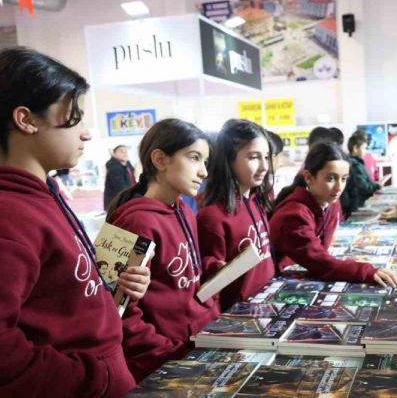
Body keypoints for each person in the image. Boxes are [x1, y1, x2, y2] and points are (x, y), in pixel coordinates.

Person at [0, 47, 150, 397]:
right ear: (26, 120)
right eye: (74, 118)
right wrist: (91, 377)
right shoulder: (6, 215)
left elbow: (59, 292)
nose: (86, 133)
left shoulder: (45, 195)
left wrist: (115, 288)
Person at [106, 118, 219, 382]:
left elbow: (184, 280)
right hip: (161, 364)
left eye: (205, 162)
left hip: (194, 346)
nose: (203, 172)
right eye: (194, 158)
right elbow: (115, 309)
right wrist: (166, 353)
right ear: (160, 159)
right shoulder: (134, 221)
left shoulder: (184, 210)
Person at [270, 142, 397, 287]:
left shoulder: (331, 202)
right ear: (308, 177)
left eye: (344, 179)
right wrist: (367, 271)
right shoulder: (294, 214)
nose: (339, 187)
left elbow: (321, 254)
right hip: (277, 279)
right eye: (331, 178)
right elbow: (320, 263)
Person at [198, 119, 276, 311]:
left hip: (266, 303)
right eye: (253, 157)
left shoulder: (256, 201)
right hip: (237, 316)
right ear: (229, 160)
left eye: (266, 157)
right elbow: (211, 283)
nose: (264, 166)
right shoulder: (213, 216)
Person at [347, 130, 383, 206]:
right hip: (359, 203)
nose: (366, 151)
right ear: (355, 148)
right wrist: (377, 185)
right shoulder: (355, 165)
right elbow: (363, 187)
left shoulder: (356, 163)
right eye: (364, 148)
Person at [104, 144, 136, 211]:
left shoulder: (127, 165)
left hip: (126, 200)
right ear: (114, 154)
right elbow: (121, 188)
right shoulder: (115, 168)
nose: (125, 153)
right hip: (117, 204)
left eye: (126, 152)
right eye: (121, 151)